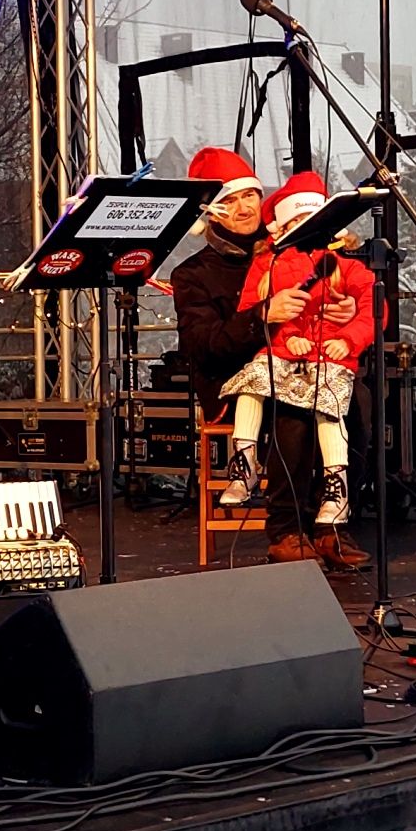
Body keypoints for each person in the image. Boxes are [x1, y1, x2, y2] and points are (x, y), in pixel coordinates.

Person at [166, 146, 361, 574]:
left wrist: (344, 308)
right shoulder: (193, 274)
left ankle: (331, 524)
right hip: (234, 378)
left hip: (303, 361)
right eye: (230, 200)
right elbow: (202, 345)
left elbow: (340, 290)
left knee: (352, 393)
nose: (243, 208)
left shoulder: (293, 247)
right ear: (211, 213)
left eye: (249, 196)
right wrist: (262, 315)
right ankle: (286, 531)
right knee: (292, 405)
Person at [220, 170, 375, 538]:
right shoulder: (269, 264)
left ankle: (336, 489)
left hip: (329, 358)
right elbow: (253, 310)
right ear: (284, 227)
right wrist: (287, 335)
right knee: (254, 382)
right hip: (282, 357)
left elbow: (373, 308)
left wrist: (349, 338)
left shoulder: (343, 263)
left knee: (330, 403)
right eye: (297, 222)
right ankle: (244, 463)